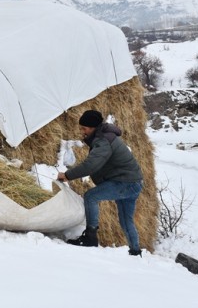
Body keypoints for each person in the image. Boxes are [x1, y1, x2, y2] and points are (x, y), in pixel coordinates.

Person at [57, 110, 144, 256]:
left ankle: (90, 238)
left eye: (84, 128)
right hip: (133, 183)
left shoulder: (104, 141)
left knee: (91, 197)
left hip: (125, 182)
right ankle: (135, 252)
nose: (82, 131)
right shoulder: (105, 137)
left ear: (92, 128)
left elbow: (91, 165)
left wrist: (67, 175)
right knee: (125, 220)